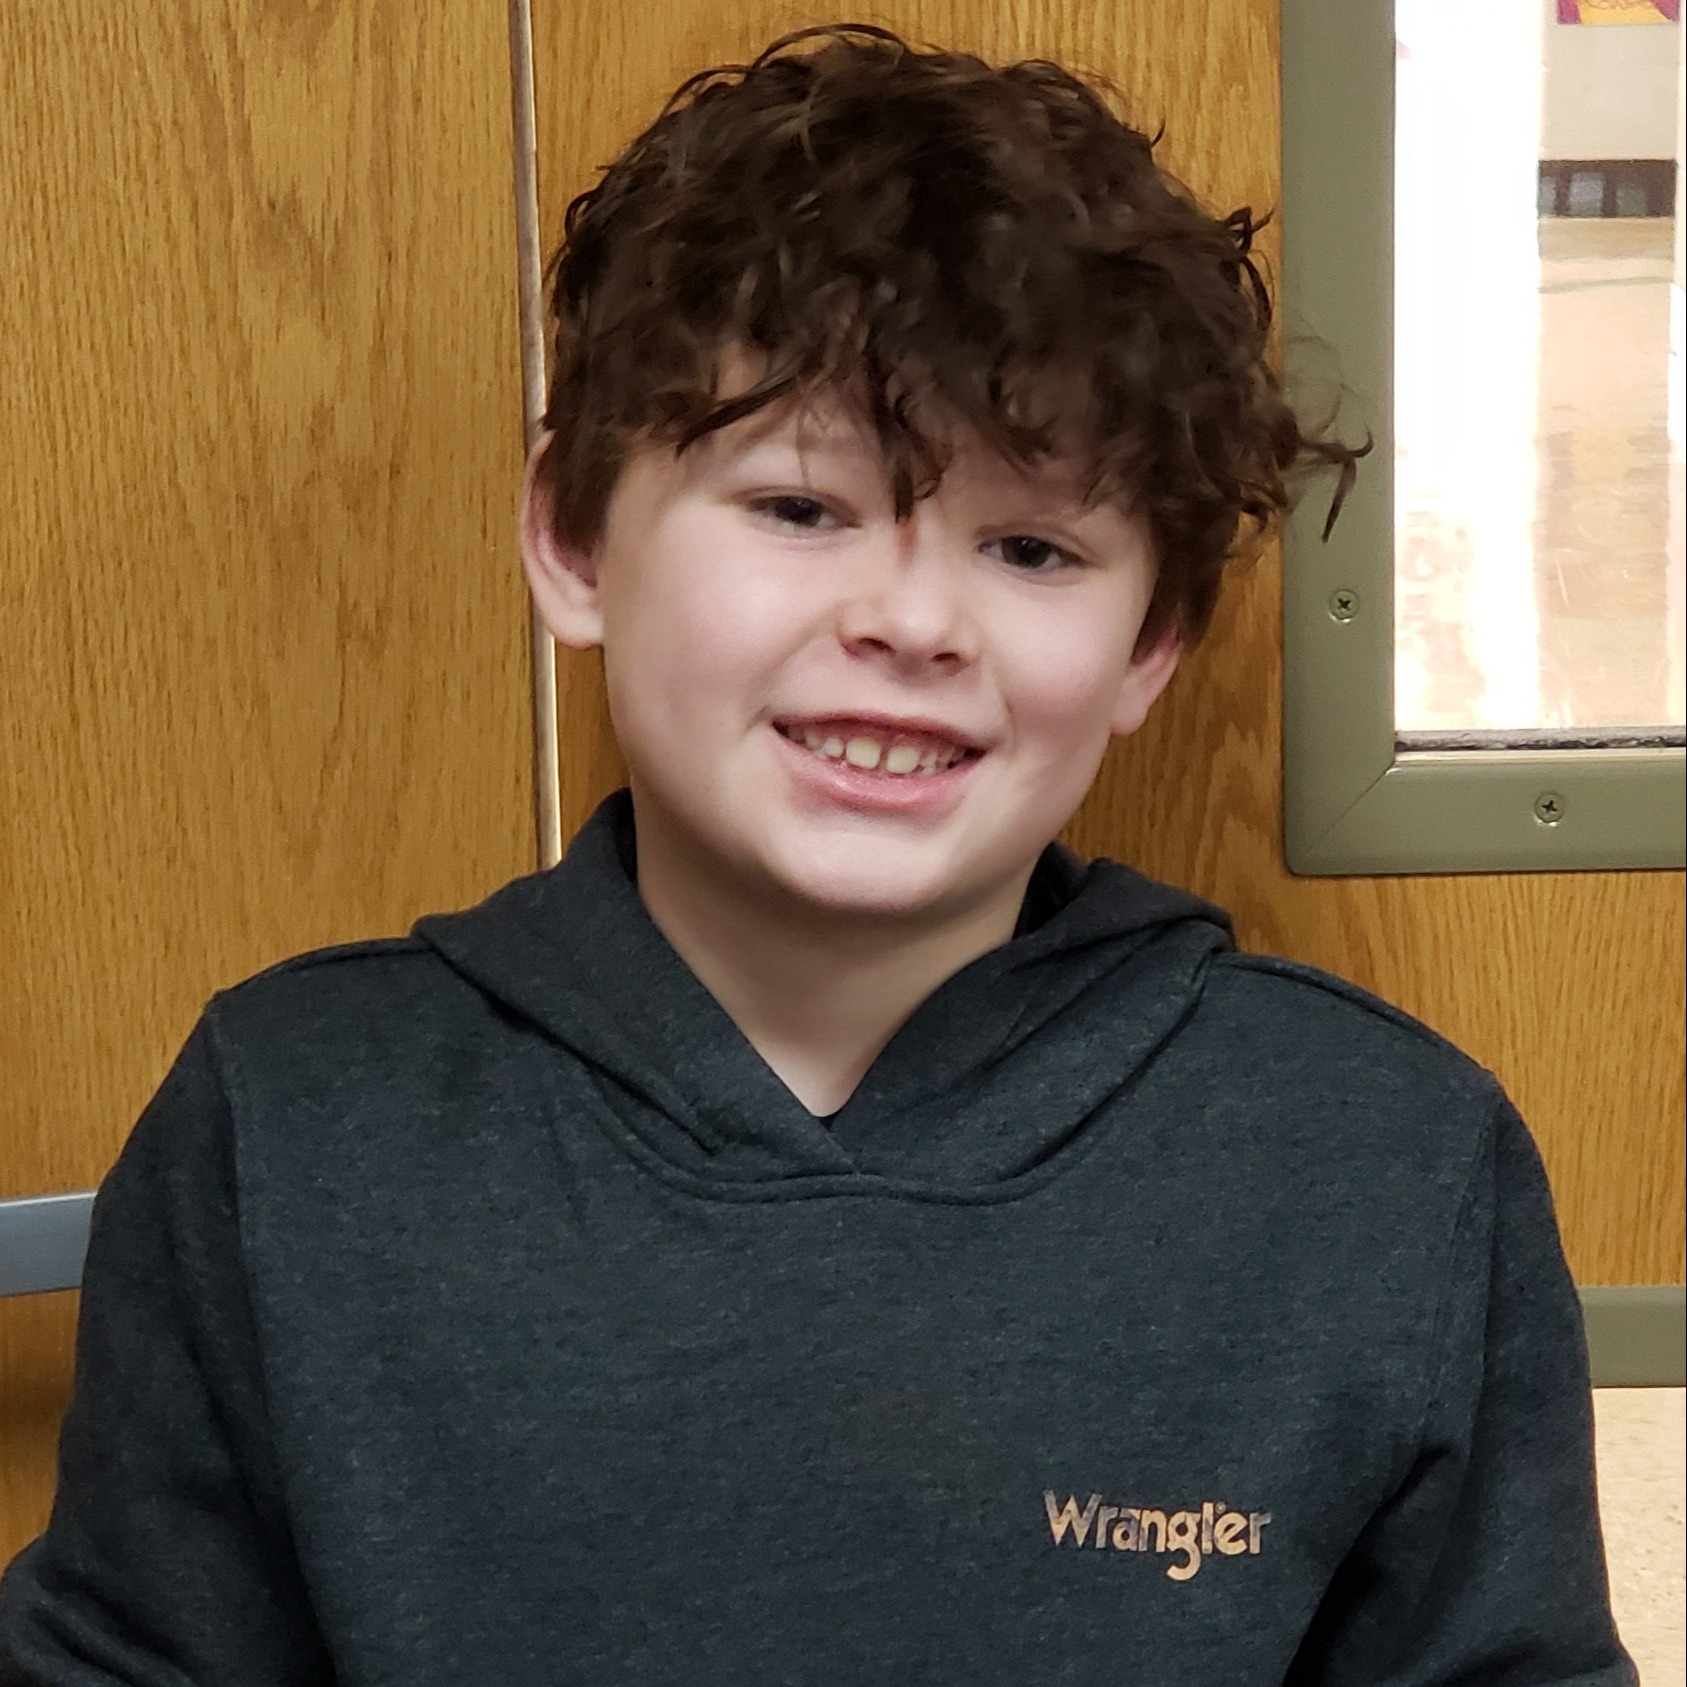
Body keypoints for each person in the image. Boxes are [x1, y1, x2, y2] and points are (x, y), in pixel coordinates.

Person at [0, 24, 1634, 1685]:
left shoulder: (1384, 1162)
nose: (912, 623)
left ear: (1152, 644)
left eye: (1030, 547)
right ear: (574, 537)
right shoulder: (288, 1121)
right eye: (800, 510)